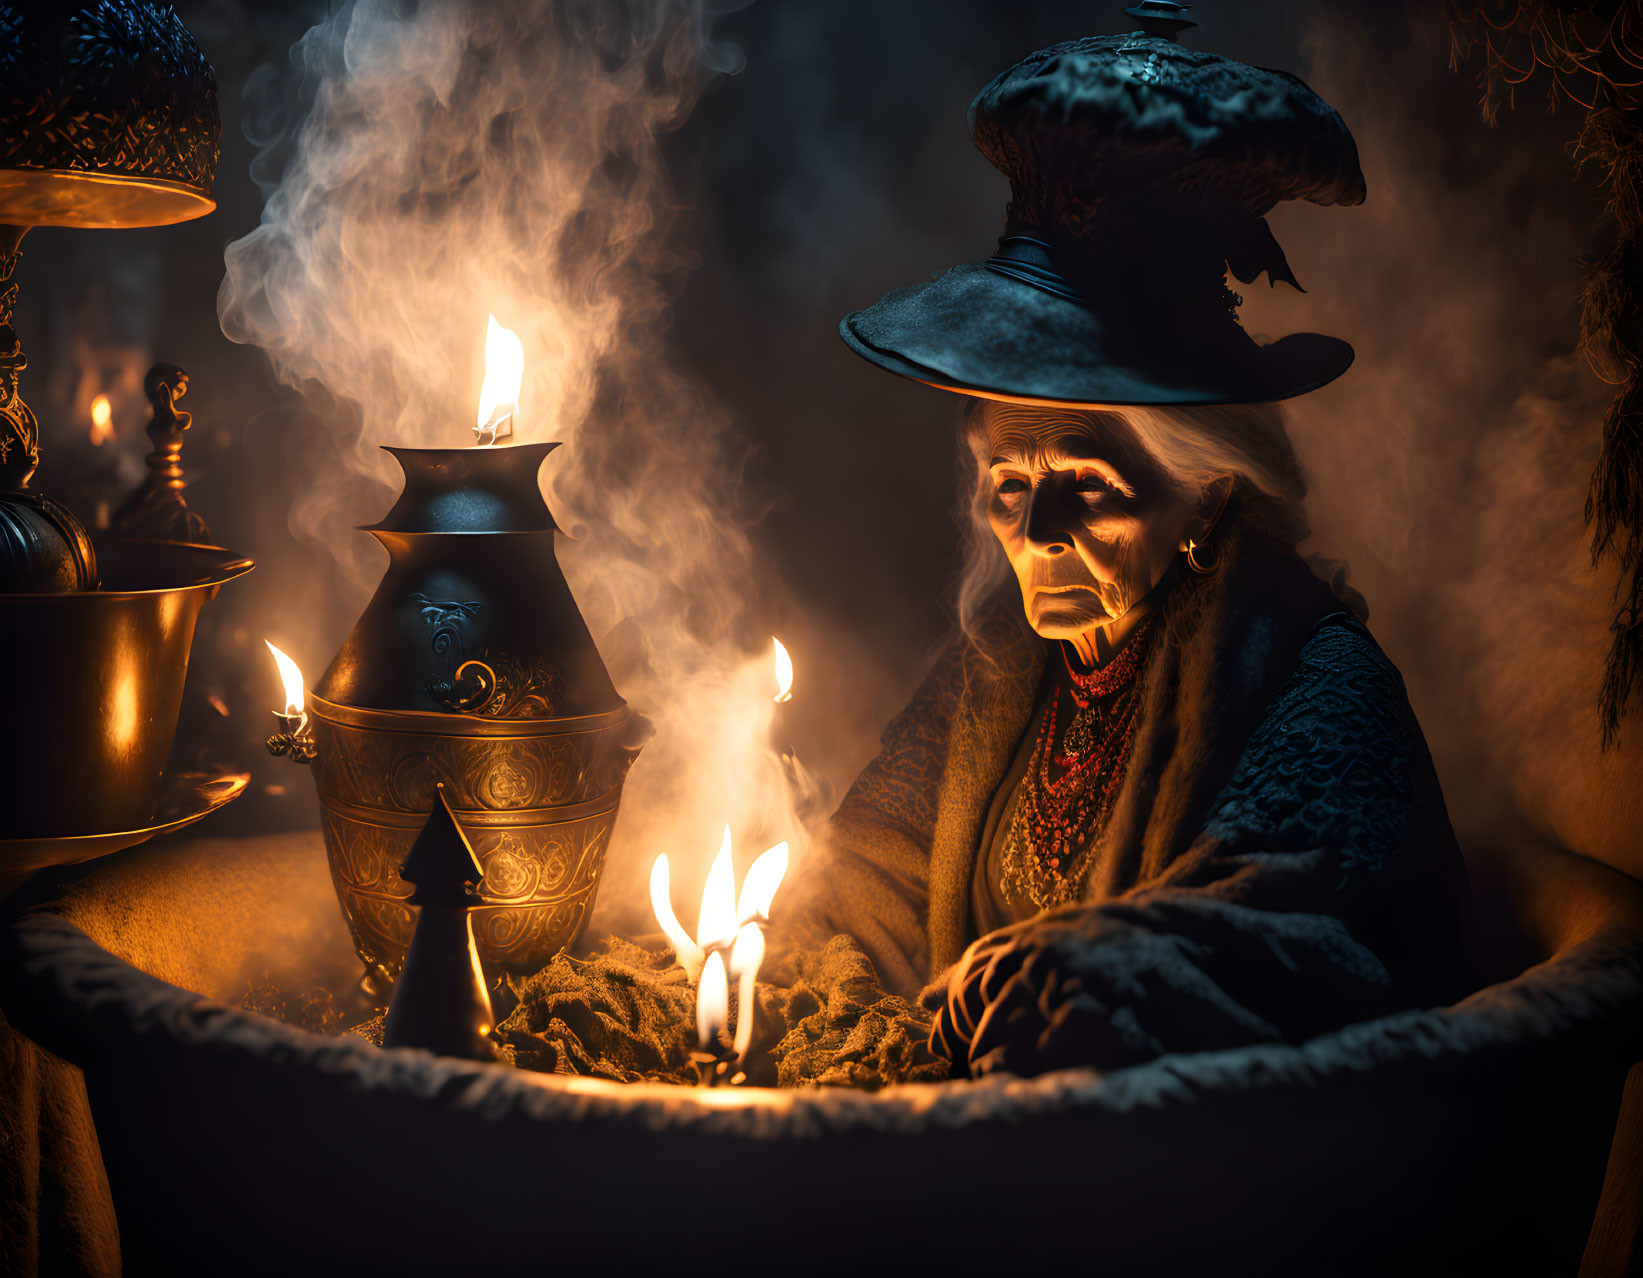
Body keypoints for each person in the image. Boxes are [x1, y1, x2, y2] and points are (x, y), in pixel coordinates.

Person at [777, 9, 1474, 1079]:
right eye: (1006, 482)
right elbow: (866, 876)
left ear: (1203, 494)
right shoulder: (1004, 671)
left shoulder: (1316, 683)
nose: (1034, 528)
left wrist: (1076, 981)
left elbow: (1310, 940)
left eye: (1085, 486)